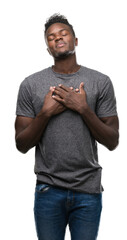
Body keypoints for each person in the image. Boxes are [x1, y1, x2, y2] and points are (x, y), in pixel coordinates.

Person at [15, 13, 119, 240]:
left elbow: (112, 141)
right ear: (48, 49)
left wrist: (82, 108)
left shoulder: (100, 82)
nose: (58, 39)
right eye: (51, 37)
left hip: (88, 191)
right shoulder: (30, 84)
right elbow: (21, 144)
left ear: (76, 40)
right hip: (48, 190)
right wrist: (45, 113)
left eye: (63, 33)